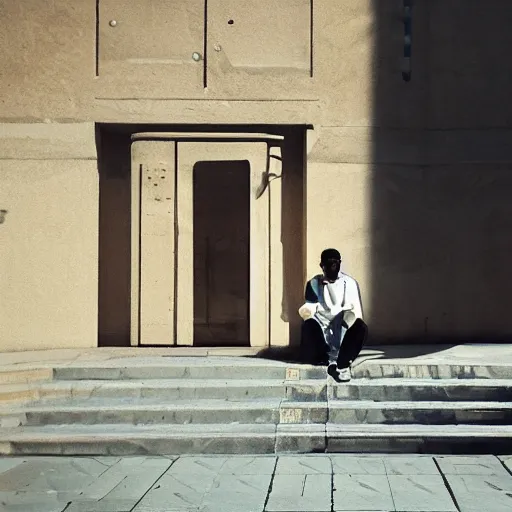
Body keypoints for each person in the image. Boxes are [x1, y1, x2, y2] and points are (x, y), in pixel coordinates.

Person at [298, 248, 368, 382]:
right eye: (328, 265)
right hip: (322, 332)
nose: (332, 268)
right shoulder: (314, 283)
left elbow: (354, 313)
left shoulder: (350, 283)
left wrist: (343, 327)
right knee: (308, 325)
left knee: (361, 328)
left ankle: (342, 363)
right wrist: (307, 315)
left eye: (335, 264)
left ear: (339, 264)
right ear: (322, 266)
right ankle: (326, 358)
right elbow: (309, 308)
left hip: (343, 329)